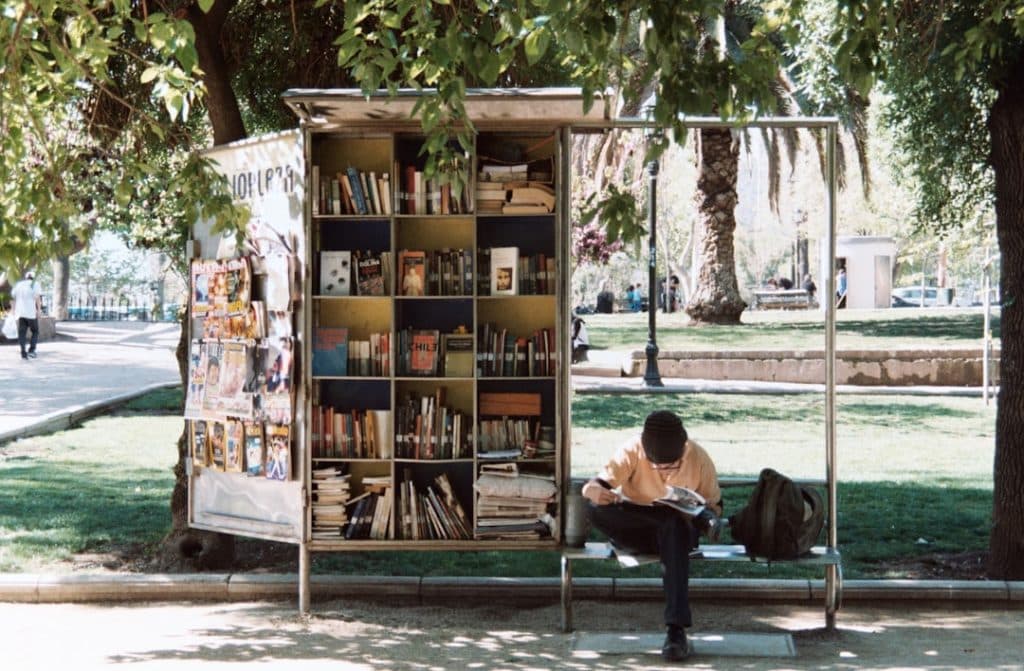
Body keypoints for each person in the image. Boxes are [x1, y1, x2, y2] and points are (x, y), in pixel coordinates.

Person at [582, 410, 722, 662]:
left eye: (672, 464)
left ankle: (676, 631)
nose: (665, 470)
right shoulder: (632, 450)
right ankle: (663, 526)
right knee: (593, 509)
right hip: (638, 526)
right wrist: (593, 491)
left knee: (672, 524)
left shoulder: (698, 457)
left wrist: (704, 514)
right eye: (658, 465)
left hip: (679, 528)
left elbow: (715, 506)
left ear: (684, 447)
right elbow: (597, 486)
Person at [11, 270, 42, 361]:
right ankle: (32, 351)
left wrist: (13, 311)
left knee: (22, 333)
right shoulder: (35, 284)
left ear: (26, 277)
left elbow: (13, 298)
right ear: (33, 277)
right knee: (35, 331)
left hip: (21, 313)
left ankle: (23, 352)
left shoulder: (19, 285)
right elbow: (37, 298)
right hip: (31, 313)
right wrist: (39, 310)